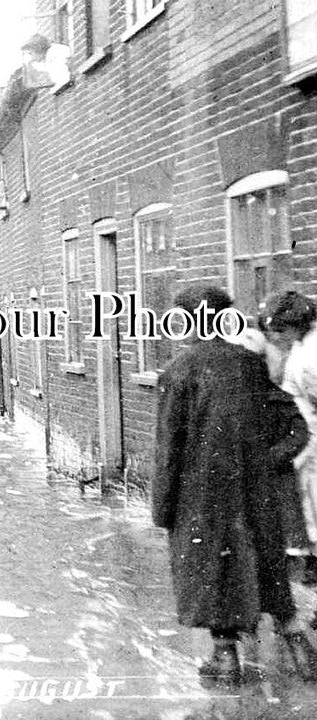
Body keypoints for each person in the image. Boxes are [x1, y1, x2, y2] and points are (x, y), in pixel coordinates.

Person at [152, 285, 314, 683]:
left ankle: (226, 658)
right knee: (266, 567)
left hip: (200, 496)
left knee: (211, 574)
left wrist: (162, 508)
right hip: (251, 494)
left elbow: (169, 448)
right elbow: (294, 422)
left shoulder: (179, 373)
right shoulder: (249, 364)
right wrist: (267, 461)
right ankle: (300, 649)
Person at [259, 290, 317, 585]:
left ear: (295, 325)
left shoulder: (310, 356)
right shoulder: (299, 350)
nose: (275, 337)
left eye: (279, 330)